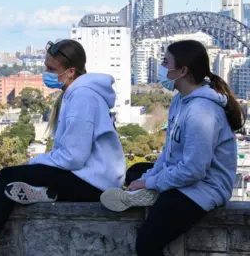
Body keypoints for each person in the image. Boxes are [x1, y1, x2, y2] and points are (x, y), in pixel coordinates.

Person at [0, 39, 127, 256]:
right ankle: (44, 192)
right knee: (7, 181)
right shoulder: (75, 94)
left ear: (70, 71)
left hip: (93, 183)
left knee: (8, 176)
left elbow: (74, 158)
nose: (46, 73)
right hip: (86, 176)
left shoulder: (83, 97)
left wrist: (34, 162)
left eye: (51, 68)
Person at [100, 40, 245, 256]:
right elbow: (169, 154)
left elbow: (194, 170)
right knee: (134, 171)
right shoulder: (180, 100)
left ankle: (154, 192)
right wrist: (149, 176)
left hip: (204, 188)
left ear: (183, 70)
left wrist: (151, 182)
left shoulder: (202, 112)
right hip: (187, 178)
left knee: (147, 244)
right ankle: (151, 191)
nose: (162, 67)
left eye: (166, 62)